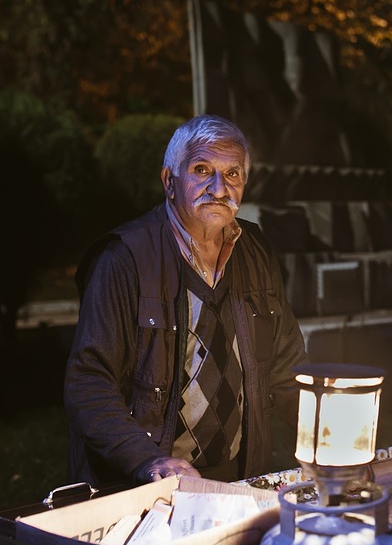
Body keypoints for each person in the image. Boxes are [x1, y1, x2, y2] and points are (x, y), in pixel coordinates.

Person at [64, 115, 308, 487]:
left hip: (239, 478)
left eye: (233, 174)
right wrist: (149, 461)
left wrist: (327, 440)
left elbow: (288, 369)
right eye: (201, 169)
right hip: (149, 485)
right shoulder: (124, 259)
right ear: (170, 182)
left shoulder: (255, 250)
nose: (219, 187)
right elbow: (88, 383)